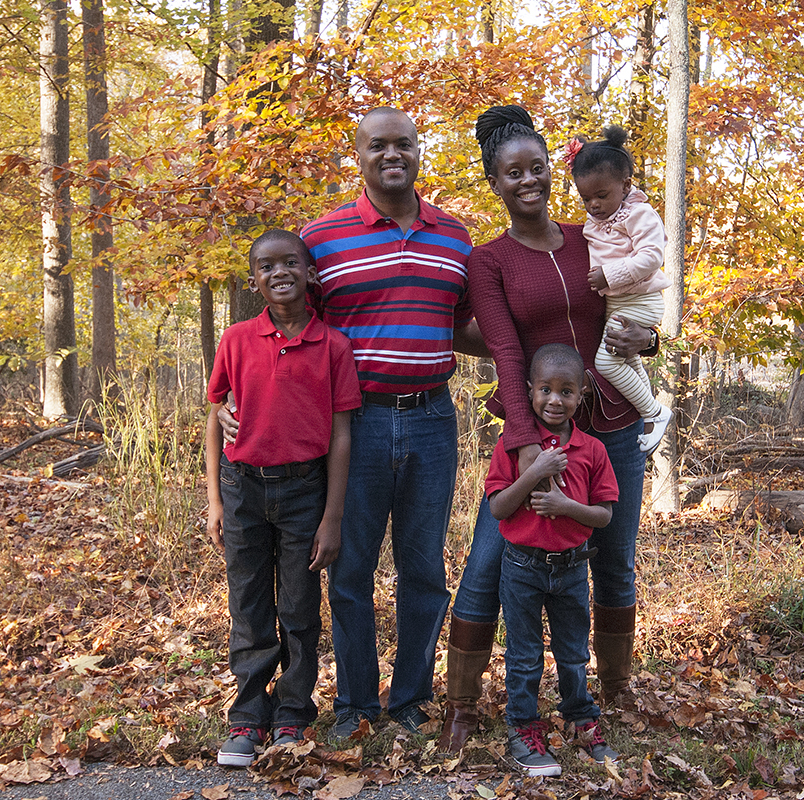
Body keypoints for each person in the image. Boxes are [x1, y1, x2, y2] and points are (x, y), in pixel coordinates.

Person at [219, 107, 486, 739]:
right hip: (354, 426)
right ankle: (356, 705)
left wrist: (548, 341)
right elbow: (285, 330)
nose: (392, 155)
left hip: (431, 418)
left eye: (404, 145)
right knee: (349, 569)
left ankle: (409, 701)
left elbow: (472, 326)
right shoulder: (322, 238)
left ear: (419, 152)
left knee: (424, 569)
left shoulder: (455, 235)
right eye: (378, 146)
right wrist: (235, 402)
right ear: (359, 156)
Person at [438, 105, 655, 754]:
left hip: (612, 422)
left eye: (537, 168)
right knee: (485, 564)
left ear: (549, 174)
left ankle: (611, 695)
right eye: (513, 173)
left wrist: (650, 335)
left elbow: (638, 303)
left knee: (613, 561)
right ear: (495, 182)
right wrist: (530, 448)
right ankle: (460, 707)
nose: (527, 180)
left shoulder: (591, 236)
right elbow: (506, 352)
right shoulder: (489, 262)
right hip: (536, 432)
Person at [205, 229, 361, 767]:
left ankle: (293, 711)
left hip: (304, 491)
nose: (280, 273)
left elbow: (342, 434)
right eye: (266, 266)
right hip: (242, 487)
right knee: (248, 605)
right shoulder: (236, 340)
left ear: (310, 272)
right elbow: (215, 417)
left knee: (298, 607)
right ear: (254, 281)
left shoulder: (334, 346)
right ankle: (248, 716)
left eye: (291, 262)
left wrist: (332, 517)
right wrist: (215, 502)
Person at [488, 343, 621, 775]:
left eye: (566, 391)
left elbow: (603, 515)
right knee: (524, 654)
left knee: (573, 652)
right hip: (522, 567)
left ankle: (581, 719)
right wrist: (535, 469)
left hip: (571, 569)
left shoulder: (592, 451)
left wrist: (565, 506)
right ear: (528, 391)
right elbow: (498, 508)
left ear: (582, 395)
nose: (554, 400)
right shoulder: (513, 446)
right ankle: (524, 728)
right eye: (545, 389)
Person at [567, 125, 673, 455]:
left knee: (608, 363)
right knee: (627, 359)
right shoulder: (596, 221)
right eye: (586, 198)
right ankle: (651, 411)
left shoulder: (638, 214)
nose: (594, 205)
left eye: (602, 196)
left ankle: (654, 412)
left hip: (640, 300)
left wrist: (609, 275)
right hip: (620, 302)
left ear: (625, 185)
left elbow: (652, 256)